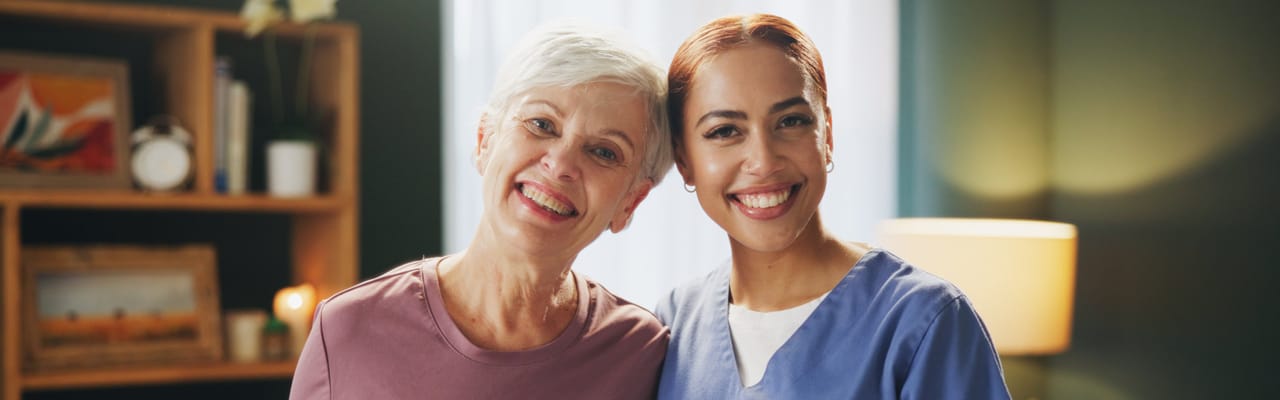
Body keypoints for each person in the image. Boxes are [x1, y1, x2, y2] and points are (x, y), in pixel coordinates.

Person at [290, 22, 673, 400]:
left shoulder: (642, 352)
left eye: (604, 152)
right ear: (484, 140)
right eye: (542, 124)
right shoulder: (348, 329)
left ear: (630, 203)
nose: (560, 164)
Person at [655, 14, 1011, 399]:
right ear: (684, 160)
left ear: (827, 135)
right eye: (724, 131)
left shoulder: (922, 321)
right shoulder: (673, 323)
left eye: (790, 121)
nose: (763, 160)